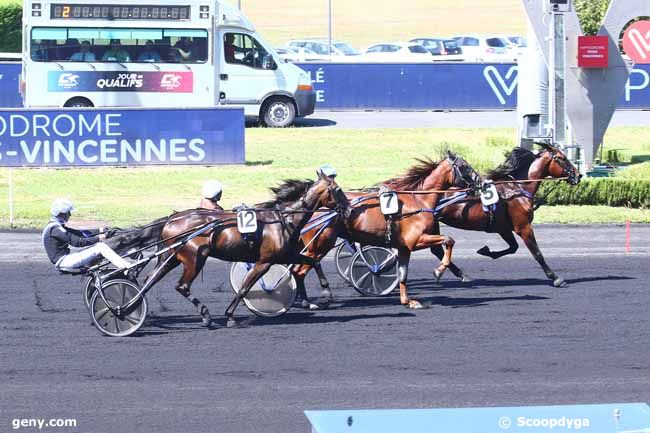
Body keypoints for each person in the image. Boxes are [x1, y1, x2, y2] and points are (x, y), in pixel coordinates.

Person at [42, 198, 132, 272]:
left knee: (99, 247)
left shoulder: (56, 226)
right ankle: (127, 267)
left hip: (67, 259)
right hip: (64, 262)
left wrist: (102, 230)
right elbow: (78, 242)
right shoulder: (55, 229)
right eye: (68, 212)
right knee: (100, 247)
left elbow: (81, 233)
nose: (69, 214)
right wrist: (101, 237)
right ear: (61, 213)